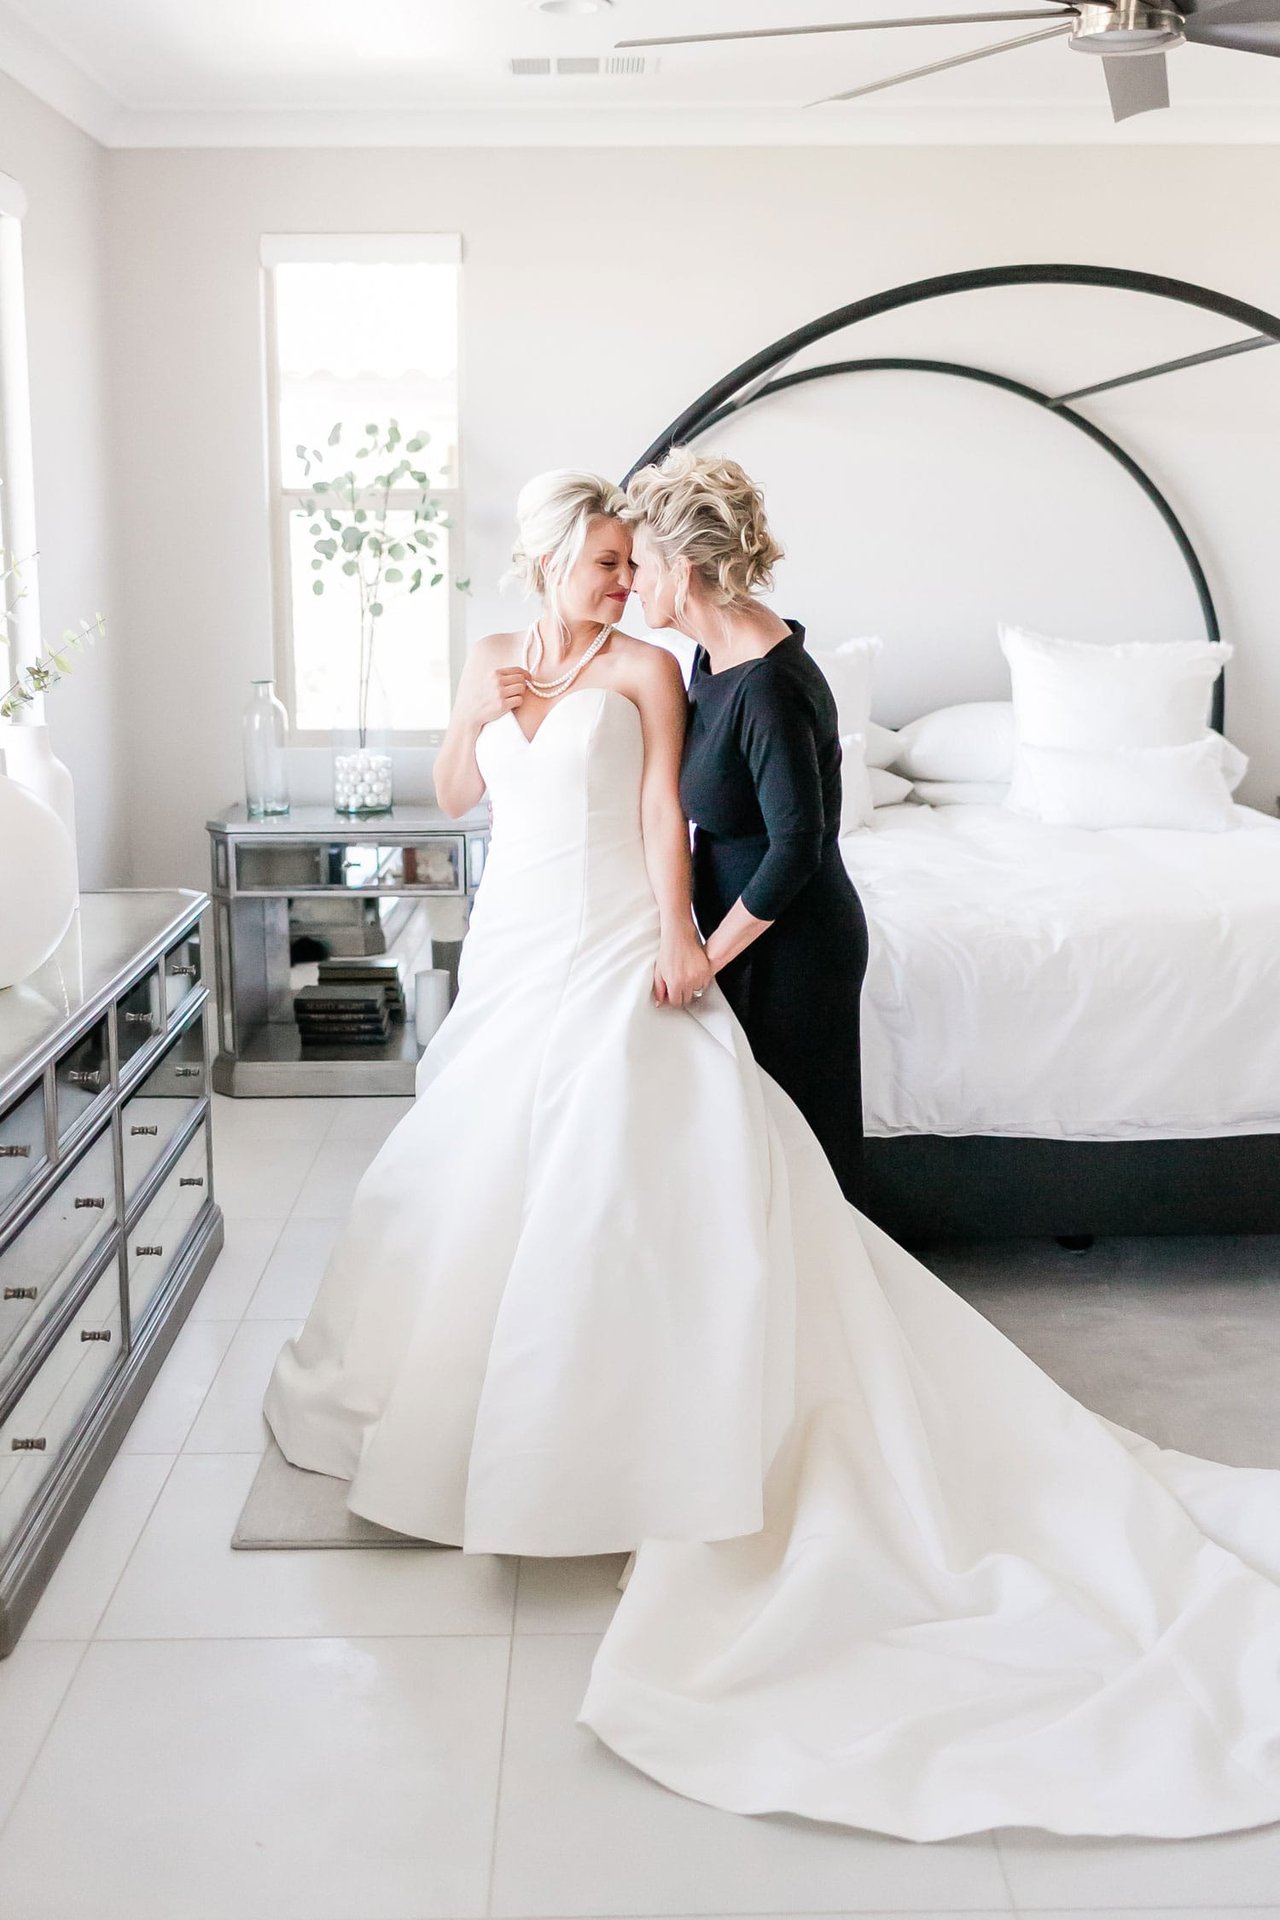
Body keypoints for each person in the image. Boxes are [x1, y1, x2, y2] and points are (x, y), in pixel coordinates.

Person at [264, 468, 1280, 1844]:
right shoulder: (500, 655)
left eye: (639, 562)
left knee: (656, 1159)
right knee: (475, 1155)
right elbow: (458, 789)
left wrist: (683, 944)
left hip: (626, 933)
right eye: (608, 563)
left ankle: (639, 1412)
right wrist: (485, 714)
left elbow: (672, 834)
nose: (627, 583)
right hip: (512, 937)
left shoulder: (660, 671)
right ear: (552, 561)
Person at [625, 449, 867, 1201]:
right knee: (750, 1158)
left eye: (638, 566)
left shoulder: (766, 685)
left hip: (792, 948)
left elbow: (798, 846)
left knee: (799, 1166)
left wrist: (706, 955)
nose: (630, 583)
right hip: (746, 934)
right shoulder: (713, 650)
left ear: (680, 573)